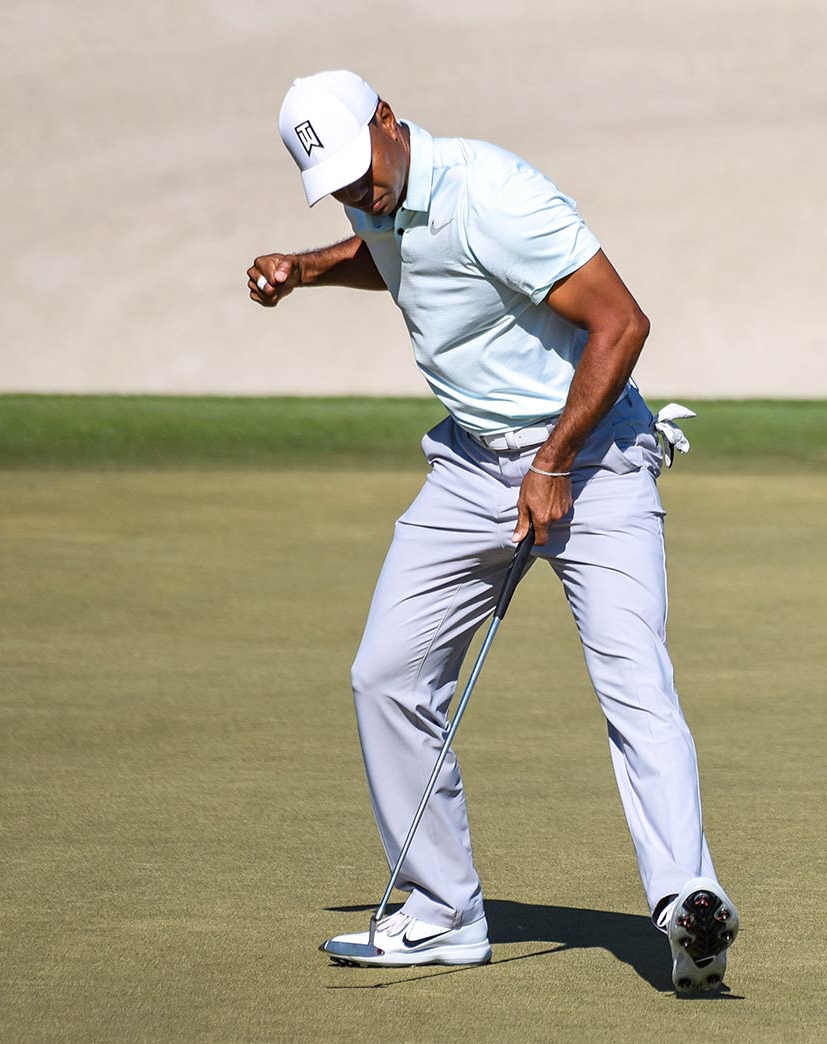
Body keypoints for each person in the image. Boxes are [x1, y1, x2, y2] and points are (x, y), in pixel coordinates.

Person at [246, 70, 739, 993]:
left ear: (388, 119)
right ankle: (441, 912)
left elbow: (623, 323)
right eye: (342, 188)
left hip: (593, 458)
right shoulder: (378, 195)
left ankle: (689, 910)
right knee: (385, 674)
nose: (361, 196)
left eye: (364, 173)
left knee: (635, 685)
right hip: (471, 467)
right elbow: (390, 253)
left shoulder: (494, 194)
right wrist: (308, 267)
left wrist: (553, 464)